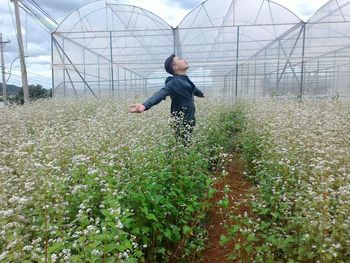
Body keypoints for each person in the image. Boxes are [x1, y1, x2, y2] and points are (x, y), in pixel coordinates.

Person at [128, 54, 205, 145]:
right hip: (181, 120)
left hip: (189, 118)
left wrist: (201, 94)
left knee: (186, 143)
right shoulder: (173, 83)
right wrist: (145, 105)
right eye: (180, 59)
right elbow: (160, 94)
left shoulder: (185, 80)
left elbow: (193, 89)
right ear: (175, 67)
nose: (183, 60)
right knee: (182, 145)